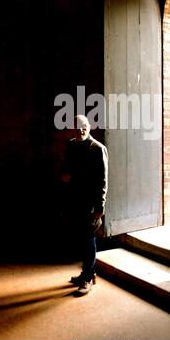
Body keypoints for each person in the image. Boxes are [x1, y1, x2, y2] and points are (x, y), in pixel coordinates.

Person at [61, 115, 108, 296]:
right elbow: (65, 168)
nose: (80, 130)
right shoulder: (71, 145)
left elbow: (103, 180)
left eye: (83, 126)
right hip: (74, 200)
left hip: (90, 203)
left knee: (89, 239)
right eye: (76, 127)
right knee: (81, 238)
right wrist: (65, 175)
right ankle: (89, 272)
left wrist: (100, 207)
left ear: (89, 127)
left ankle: (87, 278)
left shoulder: (98, 149)